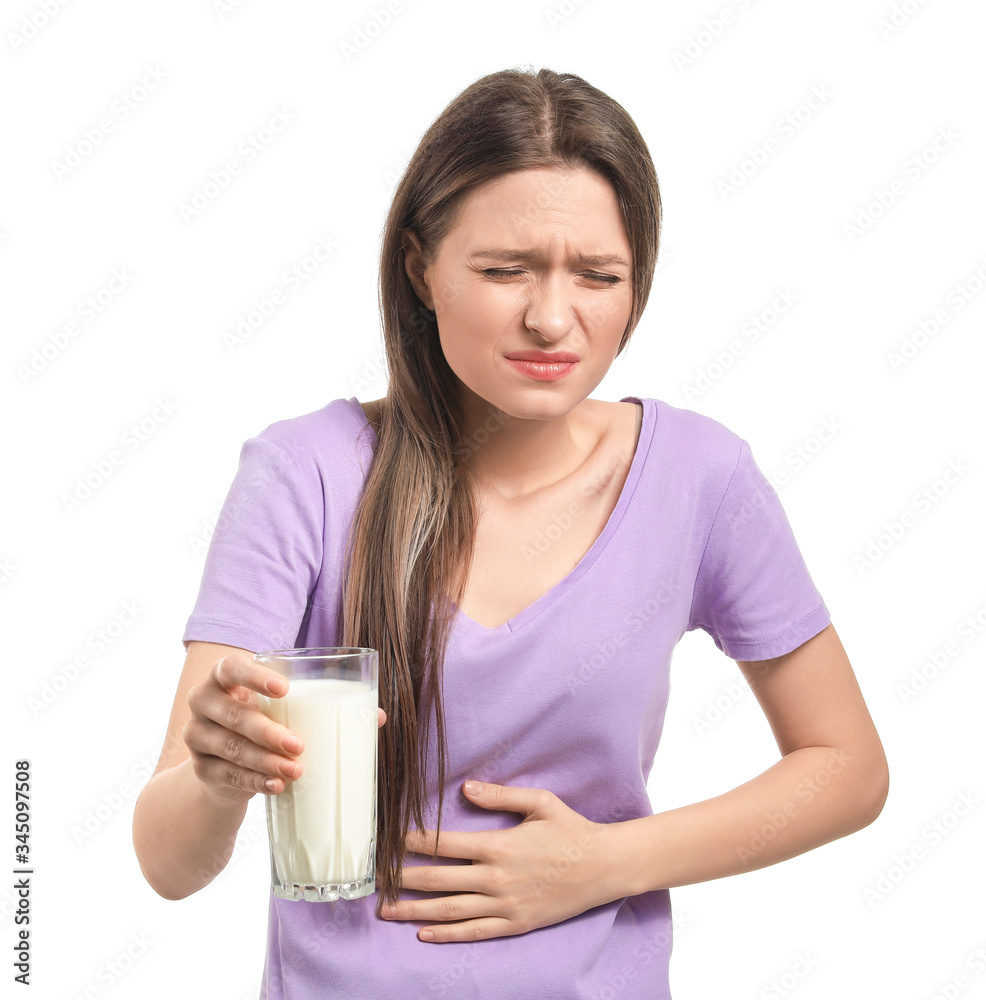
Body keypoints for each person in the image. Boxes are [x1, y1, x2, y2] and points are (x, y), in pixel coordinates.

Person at [132, 66, 889, 999]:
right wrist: (213, 776)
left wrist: (607, 863)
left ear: (638, 284)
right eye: (504, 271)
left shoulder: (702, 477)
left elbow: (848, 767)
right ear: (421, 270)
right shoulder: (305, 475)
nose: (552, 317)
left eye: (598, 276)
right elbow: (169, 864)